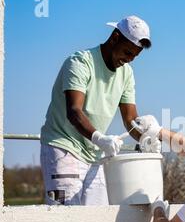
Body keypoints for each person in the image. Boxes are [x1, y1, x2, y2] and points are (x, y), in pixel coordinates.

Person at [40, 15, 159, 206]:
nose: (128, 60)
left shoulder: (126, 73)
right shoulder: (80, 62)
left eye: (134, 56)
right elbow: (74, 111)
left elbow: (130, 120)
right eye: (127, 52)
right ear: (115, 37)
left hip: (95, 155)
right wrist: (100, 138)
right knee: (63, 217)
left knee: (97, 219)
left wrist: (146, 139)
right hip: (64, 149)